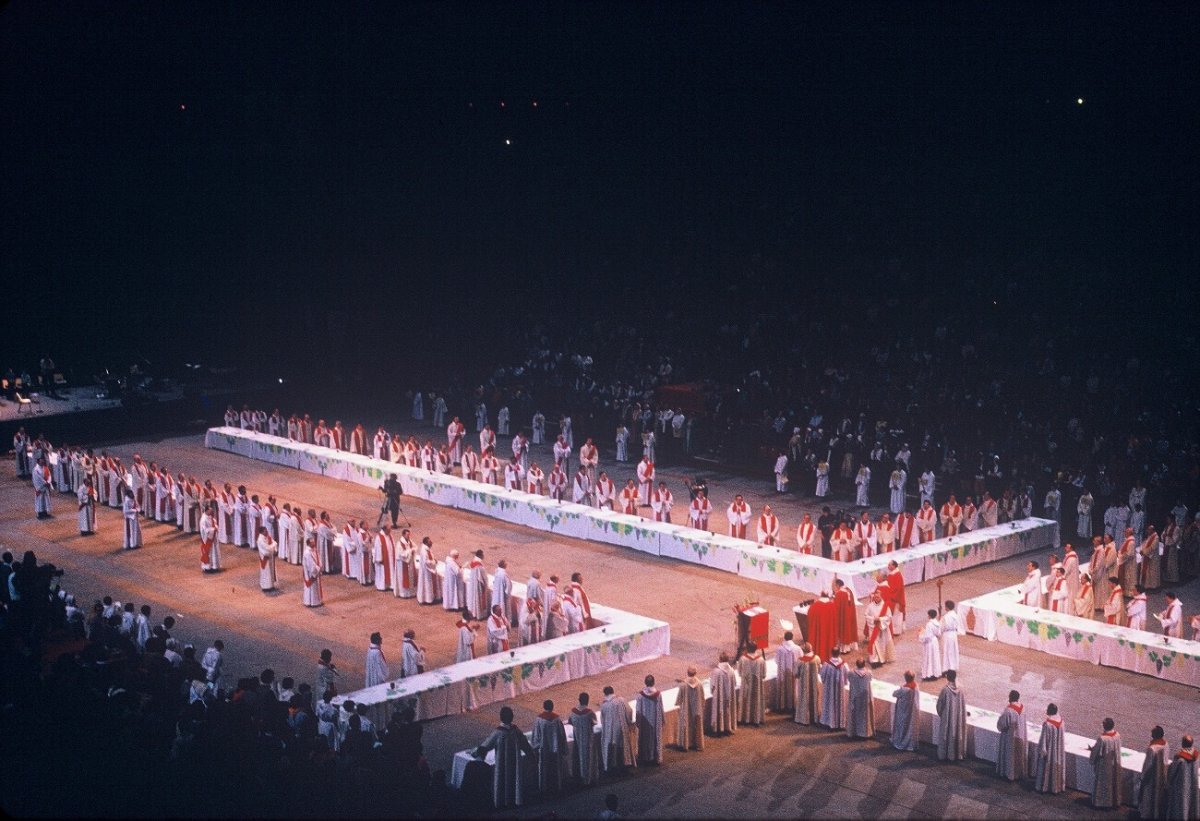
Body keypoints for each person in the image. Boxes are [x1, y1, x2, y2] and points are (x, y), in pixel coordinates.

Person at [472, 706, 534, 809]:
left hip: (502, 763)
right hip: (514, 763)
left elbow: (486, 746)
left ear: (501, 717)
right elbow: (525, 745)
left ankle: (501, 802)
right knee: (514, 780)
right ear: (512, 717)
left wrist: (475, 753)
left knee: (502, 780)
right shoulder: (516, 731)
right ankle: (515, 800)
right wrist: (531, 755)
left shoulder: (498, 733)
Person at [531, 700, 568, 794]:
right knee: (556, 769)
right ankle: (557, 787)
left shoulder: (539, 719)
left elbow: (536, 735)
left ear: (544, 707)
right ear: (552, 707)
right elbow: (562, 735)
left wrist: (535, 747)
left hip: (544, 749)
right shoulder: (557, 719)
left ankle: (544, 788)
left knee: (544, 769)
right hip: (556, 749)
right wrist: (564, 748)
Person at [599, 686, 636, 772]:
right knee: (622, 747)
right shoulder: (621, 700)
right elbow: (629, 711)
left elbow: (602, 720)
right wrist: (629, 721)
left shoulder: (604, 705)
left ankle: (614, 766)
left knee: (613, 747)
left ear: (605, 694)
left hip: (610, 731)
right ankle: (625, 764)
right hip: (622, 728)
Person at [1089, 717, 1123, 809]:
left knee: (1103, 784)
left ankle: (1102, 803)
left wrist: (1092, 758)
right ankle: (1114, 801)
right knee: (1113, 782)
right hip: (1114, 764)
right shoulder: (1117, 735)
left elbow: (1096, 752)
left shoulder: (1102, 738)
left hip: (1104, 765)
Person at [1139, 725, 1171, 820]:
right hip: (1162, 773)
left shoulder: (1152, 748)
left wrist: (1143, 776)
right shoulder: (1165, 744)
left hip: (1151, 776)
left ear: (1155, 735)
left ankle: (1146, 815)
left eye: (1152, 733)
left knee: (1148, 796)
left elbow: (1148, 764)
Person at [569, 692, 601, 785]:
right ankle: (589, 778)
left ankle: (580, 777)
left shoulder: (573, 711)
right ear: (587, 701)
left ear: (579, 700)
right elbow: (594, 722)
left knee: (578, 756)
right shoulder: (589, 712)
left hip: (577, 737)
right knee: (589, 757)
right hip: (588, 738)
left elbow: (570, 721)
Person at [995, 690, 1027, 781]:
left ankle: (1009, 774)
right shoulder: (1022, 708)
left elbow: (1002, 724)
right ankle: (1018, 774)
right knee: (1017, 755)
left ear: (1010, 697)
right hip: (1020, 735)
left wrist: (1000, 726)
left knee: (1010, 757)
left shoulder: (1009, 710)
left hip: (1010, 737)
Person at [1034, 703, 1067, 793]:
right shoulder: (1061, 722)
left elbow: (1043, 740)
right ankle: (1057, 787)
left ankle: (1045, 787)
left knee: (1047, 767)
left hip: (1049, 751)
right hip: (1058, 750)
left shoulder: (1048, 724)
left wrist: (1042, 751)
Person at [935, 670, 967, 761]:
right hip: (958, 716)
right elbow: (962, 703)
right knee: (957, 732)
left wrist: (942, 714)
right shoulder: (960, 689)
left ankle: (946, 754)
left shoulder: (945, 690)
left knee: (947, 732)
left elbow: (939, 705)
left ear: (948, 677)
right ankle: (957, 754)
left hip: (947, 716)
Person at [1166, 734, 1198, 820]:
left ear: (1183, 744)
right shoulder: (1195, 756)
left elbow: (1172, 772)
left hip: (1180, 787)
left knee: (1179, 807)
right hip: (1191, 785)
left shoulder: (1180, 760)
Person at [635, 675, 664, 765]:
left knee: (645, 739)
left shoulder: (640, 695)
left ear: (645, 683)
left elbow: (638, 710)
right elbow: (660, 708)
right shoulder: (658, 694)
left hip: (644, 722)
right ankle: (655, 757)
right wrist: (662, 719)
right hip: (655, 720)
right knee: (655, 738)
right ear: (653, 682)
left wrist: (638, 721)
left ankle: (645, 758)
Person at [674, 666, 705, 751]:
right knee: (697, 726)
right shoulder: (699, 683)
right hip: (697, 709)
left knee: (686, 724)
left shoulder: (683, 685)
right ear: (695, 673)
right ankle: (697, 744)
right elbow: (702, 697)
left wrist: (678, 703)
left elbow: (679, 699)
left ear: (687, 673)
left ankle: (686, 744)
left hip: (686, 710)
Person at [709, 652, 738, 735]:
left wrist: (713, 692)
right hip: (729, 696)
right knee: (728, 710)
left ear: (720, 660)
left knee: (719, 709)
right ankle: (728, 727)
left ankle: (718, 728)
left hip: (719, 696)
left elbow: (712, 686)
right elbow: (735, 683)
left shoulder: (716, 671)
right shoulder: (732, 670)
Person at [737, 642, 766, 726]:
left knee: (745, 699)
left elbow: (739, 672)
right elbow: (764, 674)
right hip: (757, 684)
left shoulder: (743, 658)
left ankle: (744, 719)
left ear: (748, 649)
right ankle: (756, 719)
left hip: (746, 683)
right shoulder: (761, 659)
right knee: (757, 699)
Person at [819, 648, 849, 730]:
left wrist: (826, 681)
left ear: (831, 653)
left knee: (829, 703)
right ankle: (840, 722)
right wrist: (844, 683)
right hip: (839, 689)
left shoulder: (827, 664)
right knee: (839, 703)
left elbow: (822, 676)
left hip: (829, 689)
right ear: (839, 653)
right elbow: (847, 676)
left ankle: (828, 722)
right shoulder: (844, 665)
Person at [863, 589, 895, 667]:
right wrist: (873, 619)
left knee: (882, 644)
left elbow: (889, 617)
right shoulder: (870, 606)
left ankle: (882, 659)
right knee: (874, 644)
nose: (876, 598)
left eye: (878, 597)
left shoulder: (885, 606)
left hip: (882, 629)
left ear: (881, 597)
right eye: (875, 597)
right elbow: (866, 615)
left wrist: (880, 619)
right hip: (873, 628)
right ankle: (874, 660)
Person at [846, 658, 875, 740]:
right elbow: (870, 679)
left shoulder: (851, 673)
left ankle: (854, 732)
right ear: (864, 665)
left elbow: (849, 680)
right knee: (865, 715)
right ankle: (865, 733)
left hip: (855, 696)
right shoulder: (869, 673)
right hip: (865, 697)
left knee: (854, 713)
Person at [891, 672, 919, 751]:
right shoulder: (916, 687)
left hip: (903, 710)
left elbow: (894, 694)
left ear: (906, 678)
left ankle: (900, 742)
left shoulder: (904, 689)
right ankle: (909, 742)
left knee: (902, 726)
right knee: (909, 726)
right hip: (912, 709)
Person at [773, 631, 800, 713]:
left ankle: (783, 705)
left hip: (783, 673)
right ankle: (794, 705)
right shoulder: (797, 648)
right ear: (792, 637)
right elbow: (801, 660)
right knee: (793, 687)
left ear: (784, 638)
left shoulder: (780, 649)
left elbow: (776, 661)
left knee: (783, 687)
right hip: (793, 673)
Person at [833, 579, 858, 653]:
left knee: (843, 630)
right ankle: (849, 646)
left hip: (843, 615)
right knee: (849, 629)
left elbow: (836, 607)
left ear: (837, 585)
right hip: (850, 614)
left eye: (835, 585)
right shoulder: (848, 590)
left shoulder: (839, 594)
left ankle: (844, 649)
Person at [919, 609, 942, 681]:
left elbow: (927, 636)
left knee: (929, 658)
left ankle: (929, 674)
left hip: (929, 643)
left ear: (929, 615)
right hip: (935, 642)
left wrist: (921, 635)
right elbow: (939, 634)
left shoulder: (929, 624)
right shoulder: (937, 623)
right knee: (934, 658)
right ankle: (935, 673)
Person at [941, 600, 962, 675]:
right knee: (953, 651)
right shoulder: (955, 615)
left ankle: (946, 668)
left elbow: (942, 627)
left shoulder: (946, 617)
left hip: (947, 634)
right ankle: (953, 666)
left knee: (947, 651)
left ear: (946, 607)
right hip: (953, 634)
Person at [416, 537, 440, 604]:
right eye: (430, 541)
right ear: (426, 543)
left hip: (427, 569)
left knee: (428, 585)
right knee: (427, 584)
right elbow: (426, 561)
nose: (431, 542)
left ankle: (429, 598)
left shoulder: (426, 549)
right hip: (426, 571)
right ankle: (427, 599)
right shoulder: (424, 551)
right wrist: (434, 561)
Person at [302, 537, 323, 607]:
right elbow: (310, 565)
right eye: (312, 542)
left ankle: (316, 601)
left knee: (315, 587)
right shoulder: (307, 553)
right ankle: (311, 602)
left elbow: (319, 558)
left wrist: (320, 566)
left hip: (315, 571)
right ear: (308, 544)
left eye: (314, 542)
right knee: (311, 588)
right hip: (310, 573)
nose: (314, 543)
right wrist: (317, 569)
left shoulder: (314, 550)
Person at [256, 526, 278, 592]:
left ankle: (271, 585)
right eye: (265, 531)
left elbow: (274, 542)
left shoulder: (267, 537)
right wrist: (273, 546)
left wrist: (273, 547)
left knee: (271, 571)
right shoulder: (260, 540)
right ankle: (265, 587)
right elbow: (267, 548)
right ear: (262, 532)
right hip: (265, 558)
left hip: (270, 556)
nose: (267, 532)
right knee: (266, 572)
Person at [199, 504, 220, 572]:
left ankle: (214, 566)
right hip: (207, 539)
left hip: (212, 537)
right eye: (210, 511)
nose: (211, 512)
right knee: (208, 553)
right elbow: (204, 530)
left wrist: (216, 527)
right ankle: (207, 568)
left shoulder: (209, 516)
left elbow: (214, 522)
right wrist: (214, 529)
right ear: (206, 510)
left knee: (214, 552)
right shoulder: (203, 519)